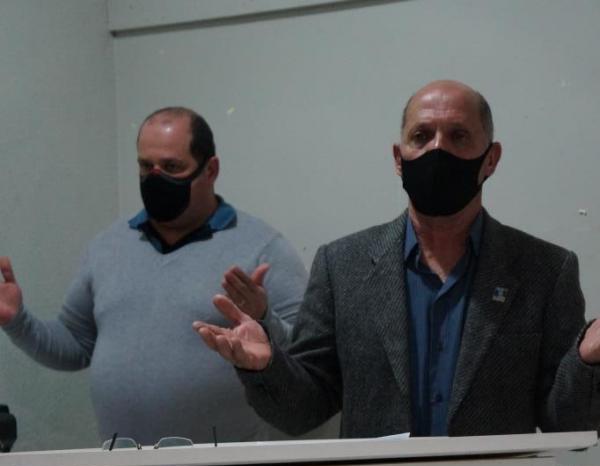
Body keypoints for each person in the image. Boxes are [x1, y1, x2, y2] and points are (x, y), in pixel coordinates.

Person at [194, 80, 600, 438]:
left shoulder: (545, 270)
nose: (438, 148)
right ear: (398, 158)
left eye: (458, 135)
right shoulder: (342, 266)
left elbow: (568, 424)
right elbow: (303, 411)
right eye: (421, 136)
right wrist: (266, 368)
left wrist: (589, 359)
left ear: (491, 158)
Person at [0, 107, 307, 444]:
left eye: (172, 167)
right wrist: (17, 320)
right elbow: (75, 345)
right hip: (119, 464)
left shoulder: (262, 248)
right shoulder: (107, 246)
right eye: (146, 166)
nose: (156, 179)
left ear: (211, 170)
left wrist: (264, 318)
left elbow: (307, 360)